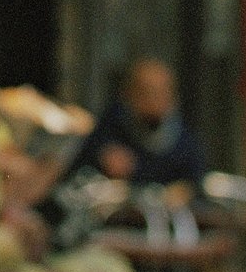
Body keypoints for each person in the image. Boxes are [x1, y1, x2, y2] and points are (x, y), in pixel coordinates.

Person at [72, 56, 208, 191]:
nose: (154, 100)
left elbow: (195, 183)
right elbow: (78, 167)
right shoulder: (111, 123)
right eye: (145, 92)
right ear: (128, 94)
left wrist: (184, 190)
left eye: (161, 92)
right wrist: (102, 155)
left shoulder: (184, 143)